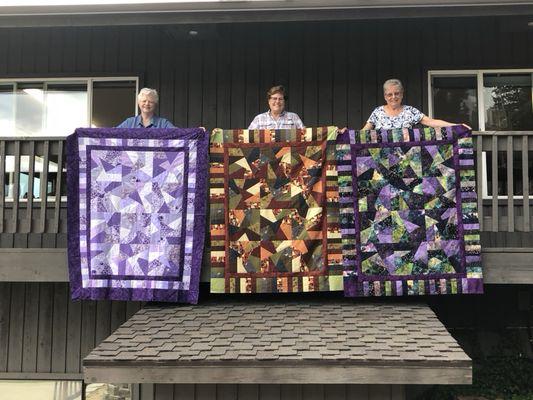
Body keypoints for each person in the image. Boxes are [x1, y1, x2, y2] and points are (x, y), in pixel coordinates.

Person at [361, 79, 468, 130]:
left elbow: (431, 122)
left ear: (402, 94)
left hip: (407, 164)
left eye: (397, 93)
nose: (393, 97)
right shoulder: (377, 112)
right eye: (390, 94)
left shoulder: (410, 111)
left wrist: (457, 126)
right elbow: (363, 133)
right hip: (381, 165)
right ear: (385, 96)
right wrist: (345, 135)